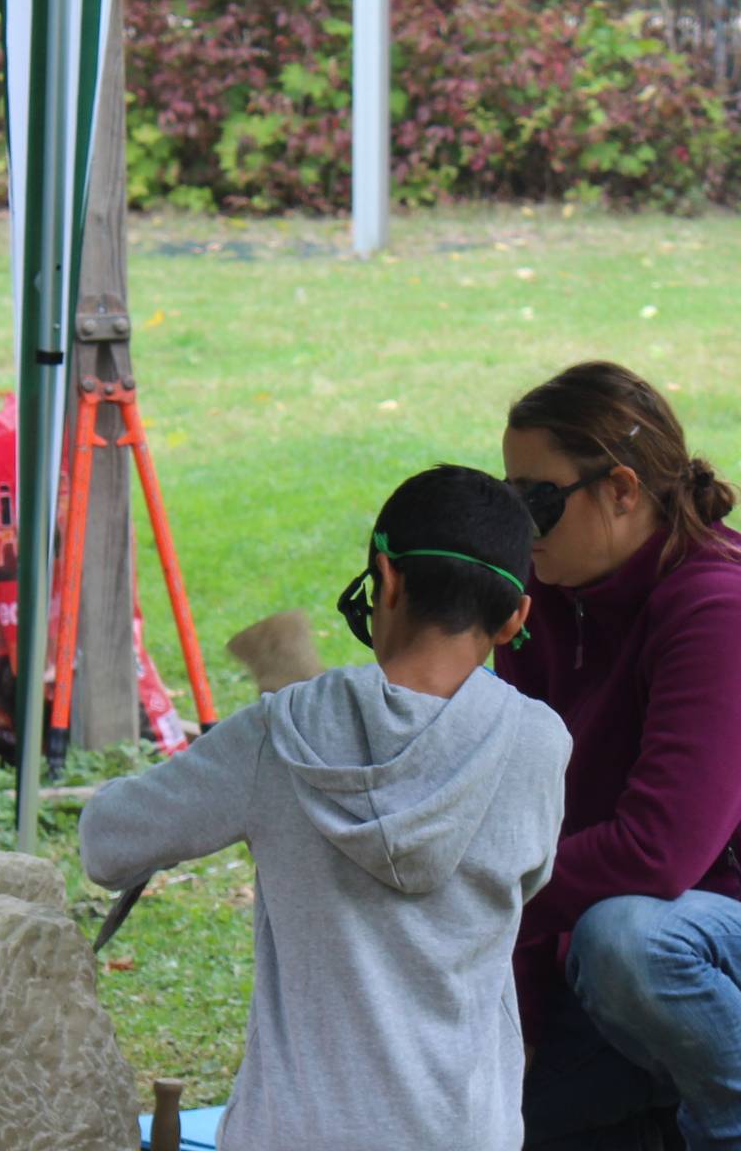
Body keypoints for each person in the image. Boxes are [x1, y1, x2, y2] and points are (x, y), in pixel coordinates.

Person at [80, 465, 570, 1151]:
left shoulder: (278, 738)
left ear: (385, 578)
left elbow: (106, 842)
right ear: (517, 615)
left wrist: (248, 763)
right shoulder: (539, 745)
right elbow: (528, 880)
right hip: (466, 1133)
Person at [501, 361, 741, 1151]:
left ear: (622, 490)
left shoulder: (724, 607)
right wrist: (521, 1030)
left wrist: (481, 894)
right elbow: (523, 826)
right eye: (509, 501)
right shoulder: (544, 606)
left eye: (537, 501)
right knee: (506, 1121)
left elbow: (655, 855)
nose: (523, 529)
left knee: (630, 936)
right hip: (623, 971)